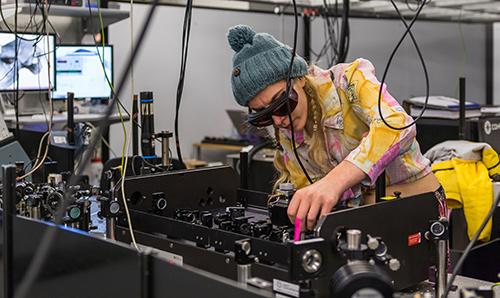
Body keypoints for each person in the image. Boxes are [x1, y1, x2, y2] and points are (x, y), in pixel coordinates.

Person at [227, 25, 446, 231]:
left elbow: (398, 125)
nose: (278, 121)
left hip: (415, 213)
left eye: (282, 103)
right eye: (264, 117)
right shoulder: (285, 126)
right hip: (354, 222)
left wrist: (334, 182)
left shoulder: (349, 80)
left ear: (300, 78)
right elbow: (309, 192)